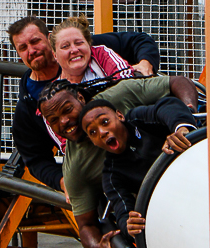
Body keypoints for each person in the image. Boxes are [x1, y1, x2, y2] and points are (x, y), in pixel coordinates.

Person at [37, 76, 198, 248]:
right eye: (54, 120)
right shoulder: (104, 172)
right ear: (92, 141)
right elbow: (89, 224)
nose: (64, 121)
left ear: (119, 115)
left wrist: (185, 124)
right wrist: (106, 242)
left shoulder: (135, 116)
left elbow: (170, 95)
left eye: (67, 110)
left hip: (191, 169)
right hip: (165, 207)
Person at [7, 16, 159, 192]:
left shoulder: (86, 50)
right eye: (23, 48)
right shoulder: (29, 105)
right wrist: (62, 181)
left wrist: (145, 64)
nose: (31, 50)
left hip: (139, 132)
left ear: (49, 39)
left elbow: (139, 40)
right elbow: (35, 158)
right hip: (99, 159)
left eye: (35, 42)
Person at [79, 97, 197, 237]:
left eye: (105, 122)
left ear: (120, 116)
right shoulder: (111, 174)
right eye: (92, 132)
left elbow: (168, 105)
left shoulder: (139, 119)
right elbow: (123, 213)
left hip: (199, 174)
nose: (102, 132)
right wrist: (129, 225)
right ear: (92, 142)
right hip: (180, 211)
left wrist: (181, 129)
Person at [49, 16, 135, 84]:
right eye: (65, 46)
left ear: (89, 44)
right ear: (55, 55)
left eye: (79, 43)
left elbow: (127, 82)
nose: (74, 50)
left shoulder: (100, 55)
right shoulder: (53, 92)